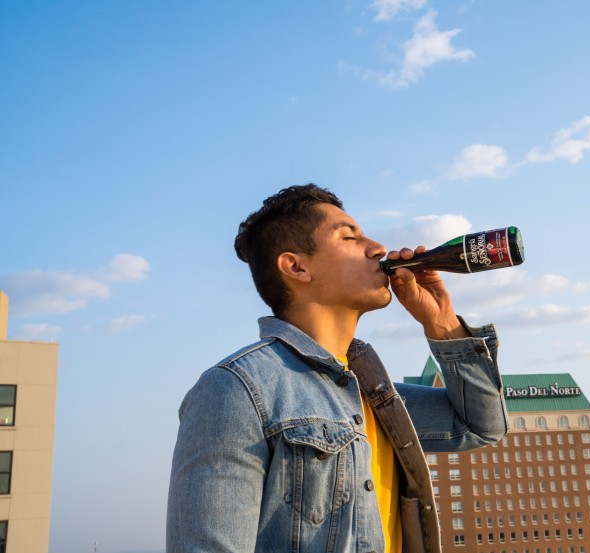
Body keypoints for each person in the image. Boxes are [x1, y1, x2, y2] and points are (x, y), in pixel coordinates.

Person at [166, 184, 508, 553]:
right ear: (296, 266)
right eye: (349, 236)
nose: (377, 248)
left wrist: (442, 324)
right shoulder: (236, 389)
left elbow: (480, 426)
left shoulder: (374, 395)